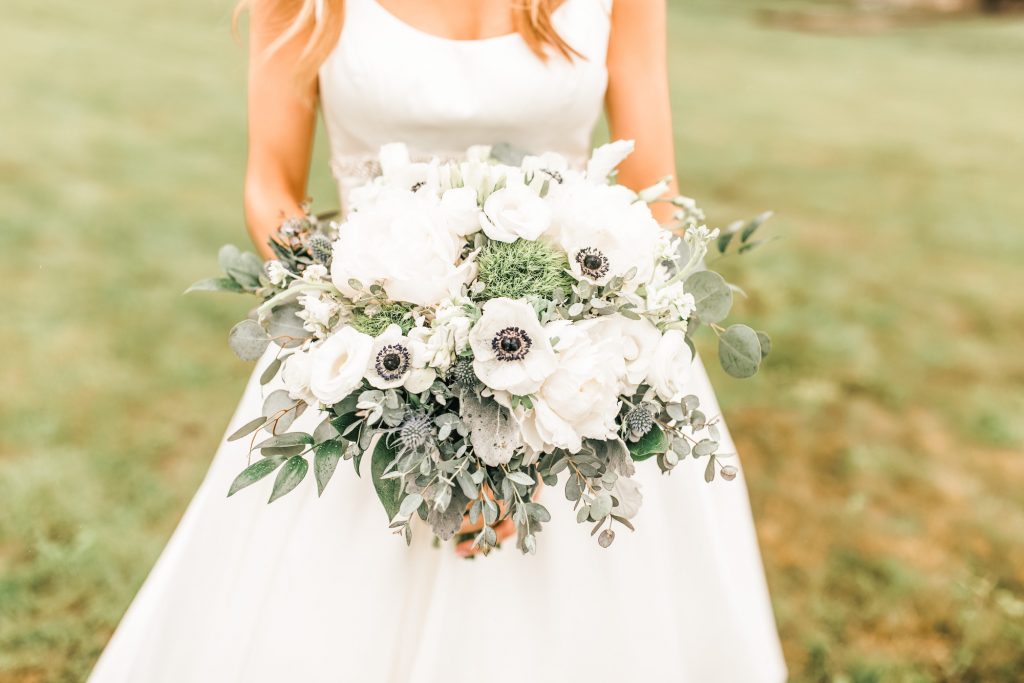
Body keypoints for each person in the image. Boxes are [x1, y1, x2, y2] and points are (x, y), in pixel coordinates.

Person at [89, 1, 787, 680]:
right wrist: (370, 340)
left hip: (586, 367)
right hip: (362, 354)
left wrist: (560, 386)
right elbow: (270, 182)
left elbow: (652, 196)